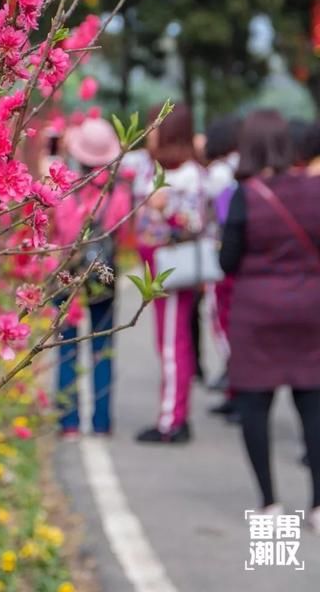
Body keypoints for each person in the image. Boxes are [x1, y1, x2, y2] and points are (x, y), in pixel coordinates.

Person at [220, 109, 320, 530]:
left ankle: (269, 502)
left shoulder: (246, 194)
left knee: (255, 404)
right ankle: (318, 503)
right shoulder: (315, 190)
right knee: (313, 406)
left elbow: (228, 261)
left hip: (257, 311)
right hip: (311, 308)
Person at [53, 116, 131, 438]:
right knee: (103, 344)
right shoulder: (119, 193)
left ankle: (67, 422)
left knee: (66, 346)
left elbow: (58, 231)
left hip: (67, 269)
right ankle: (101, 422)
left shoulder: (63, 189)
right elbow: (122, 234)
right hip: (103, 267)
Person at [135, 103, 208, 444]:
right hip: (162, 268)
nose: (148, 134)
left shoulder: (182, 176)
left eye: (154, 127)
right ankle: (175, 414)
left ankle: (172, 420)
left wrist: (163, 209)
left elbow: (193, 224)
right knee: (170, 342)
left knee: (171, 345)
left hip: (171, 269)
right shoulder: (171, 170)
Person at [204, 115, 241, 417]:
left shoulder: (216, 173)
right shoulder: (246, 165)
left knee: (221, 322)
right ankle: (236, 389)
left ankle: (235, 383)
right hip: (244, 256)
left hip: (221, 253)